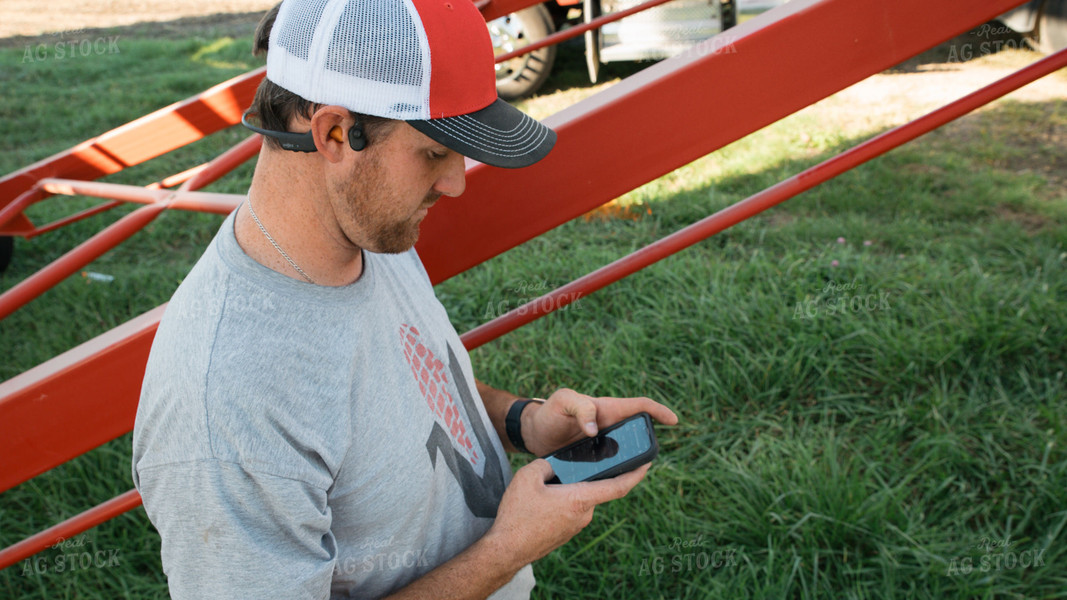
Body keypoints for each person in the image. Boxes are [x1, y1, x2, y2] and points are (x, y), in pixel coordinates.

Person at [131, 0, 678, 598]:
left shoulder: (366, 231)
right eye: (435, 153)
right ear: (335, 134)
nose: (456, 182)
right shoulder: (228, 402)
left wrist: (526, 423)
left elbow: (410, 402)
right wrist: (505, 552)